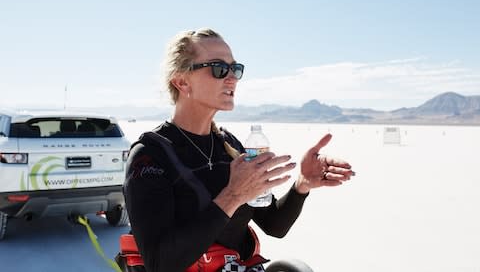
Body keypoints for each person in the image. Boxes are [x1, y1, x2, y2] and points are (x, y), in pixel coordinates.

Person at [123, 28, 355, 272]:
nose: (232, 78)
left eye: (235, 69)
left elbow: (274, 225)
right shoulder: (150, 156)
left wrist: (302, 185)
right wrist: (232, 196)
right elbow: (159, 263)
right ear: (182, 82)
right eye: (219, 68)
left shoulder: (230, 146)